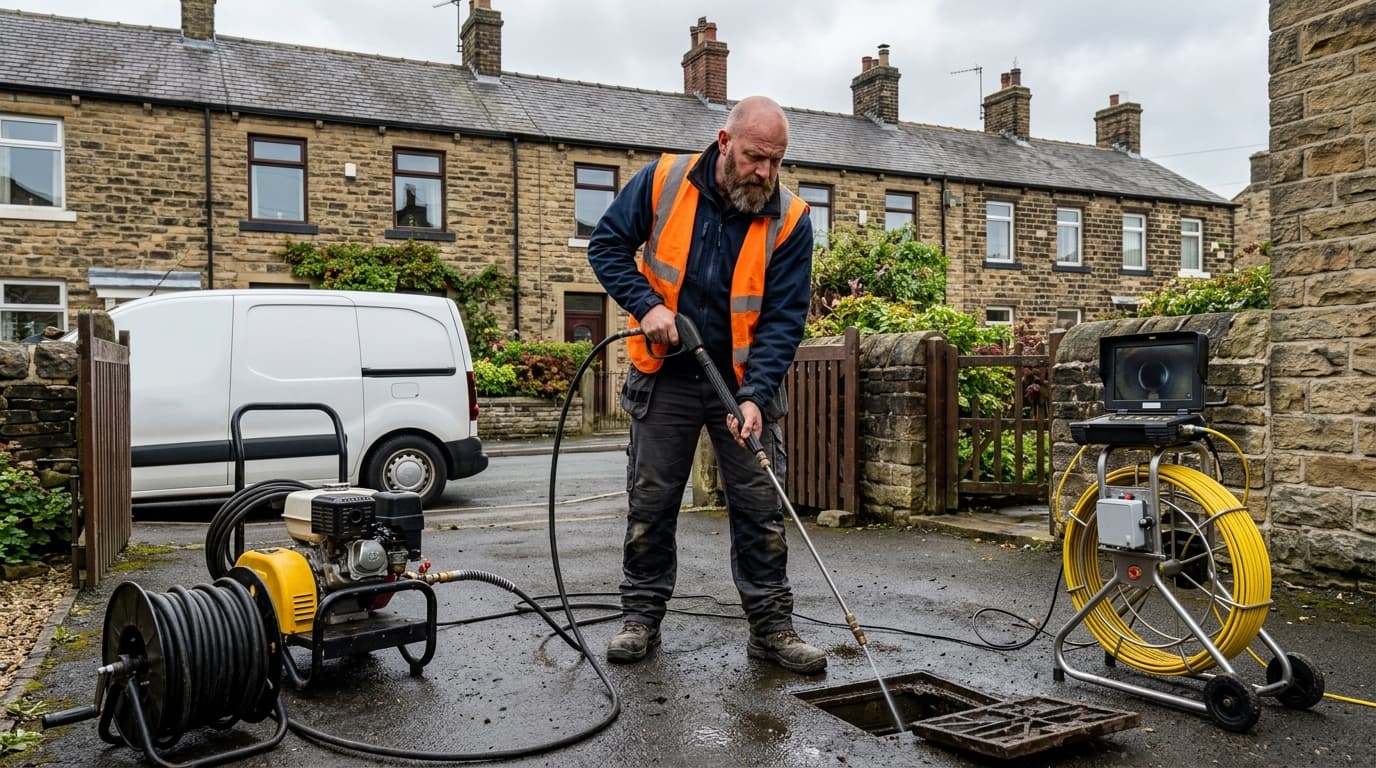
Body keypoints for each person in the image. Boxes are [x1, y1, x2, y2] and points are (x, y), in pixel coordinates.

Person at [587, 96, 824, 674]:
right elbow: (606, 247)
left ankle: (772, 627)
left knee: (760, 504)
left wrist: (756, 394)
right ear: (724, 142)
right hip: (664, 374)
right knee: (651, 500)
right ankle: (640, 616)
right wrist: (646, 306)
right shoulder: (663, 181)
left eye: (776, 160)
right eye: (754, 157)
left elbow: (784, 318)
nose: (765, 173)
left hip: (739, 385)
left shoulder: (790, 220)